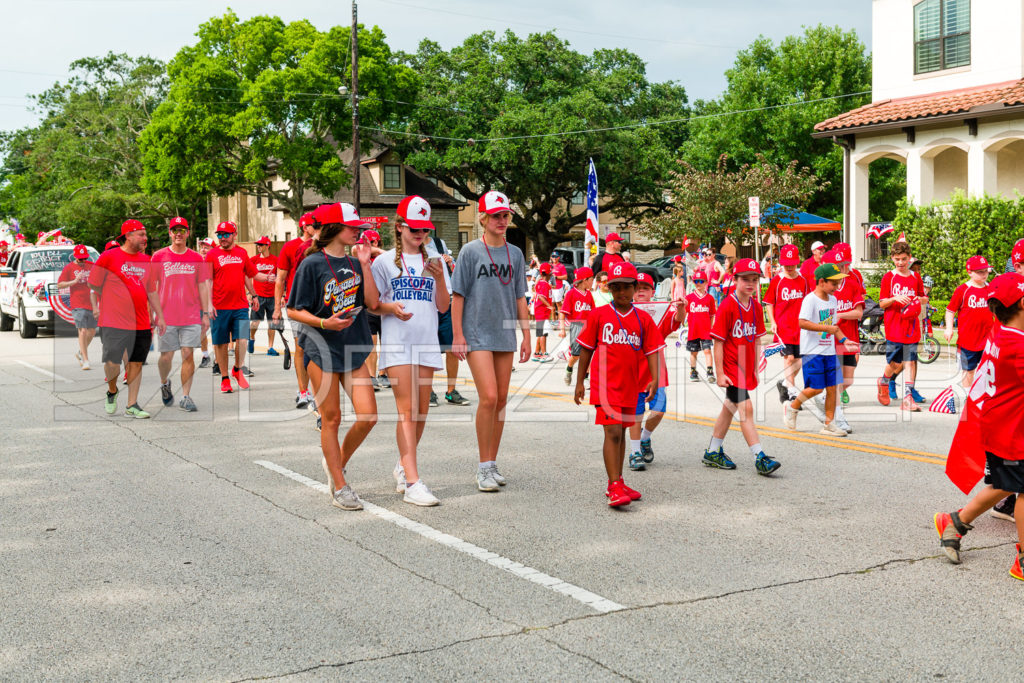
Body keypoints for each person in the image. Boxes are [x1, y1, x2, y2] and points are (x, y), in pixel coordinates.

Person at [287, 202, 380, 511]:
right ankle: (340, 485)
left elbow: (371, 303)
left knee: (368, 416)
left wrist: (365, 264)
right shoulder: (311, 264)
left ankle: (335, 463)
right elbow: (293, 309)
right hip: (320, 348)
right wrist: (324, 322)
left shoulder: (356, 262)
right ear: (333, 229)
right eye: (352, 226)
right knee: (332, 418)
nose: (358, 230)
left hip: (353, 347)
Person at [933, 272, 1024, 580]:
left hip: (999, 424)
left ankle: (955, 523)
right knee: (1022, 490)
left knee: (1004, 485)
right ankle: (1023, 559)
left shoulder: (1001, 333)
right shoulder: (1018, 347)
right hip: (1011, 430)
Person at [371, 195, 451, 506]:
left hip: (426, 342)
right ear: (400, 226)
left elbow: (443, 305)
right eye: (414, 229)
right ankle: (414, 482)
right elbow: (373, 304)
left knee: (421, 412)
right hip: (398, 343)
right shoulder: (383, 262)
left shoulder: (435, 259)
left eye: (425, 230)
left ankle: (404, 466)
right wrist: (391, 308)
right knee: (407, 411)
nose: (420, 236)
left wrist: (441, 277)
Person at [451, 190, 531, 493]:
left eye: (505, 215)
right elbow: (458, 296)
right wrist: (458, 335)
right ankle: (483, 466)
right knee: (487, 397)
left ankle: (492, 463)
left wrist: (526, 335)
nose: (501, 220)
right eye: (495, 215)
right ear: (482, 218)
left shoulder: (516, 253)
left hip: (504, 334)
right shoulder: (470, 251)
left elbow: (520, 297)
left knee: (500, 400)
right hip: (476, 333)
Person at [573, 261, 661, 507]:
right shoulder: (599, 315)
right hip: (605, 385)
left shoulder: (642, 318)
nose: (621, 292)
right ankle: (612, 485)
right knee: (612, 432)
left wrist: (654, 378)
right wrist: (580, 381)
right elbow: (586, 350)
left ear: (635, 288)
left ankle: (619, 480)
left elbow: (652, 350)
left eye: (626, 287)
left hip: (630, 385)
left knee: (621, 433)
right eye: (616, 287)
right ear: (609, 289)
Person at [702, 258, 781, 476]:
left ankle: (713, 451)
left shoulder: (755, 307)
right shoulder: (727, 305)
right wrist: (719, 373)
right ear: (734, 279)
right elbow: (717, 341)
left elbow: (756, 340)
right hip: (730, 366)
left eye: (754, 279)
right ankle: (759, 457)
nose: (750, 283)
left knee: (729, 407)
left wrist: (755, 367)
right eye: (745, 279)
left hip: (745, 367)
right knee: (746, 408)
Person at [88, 219, 166, 419]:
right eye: (141, 234)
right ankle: (112, 390)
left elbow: (151, 290)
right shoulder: (108, 257)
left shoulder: (146, 260)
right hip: (113, 321)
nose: (145, 238)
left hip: (140, 321)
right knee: (112, 363)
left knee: (136, 363)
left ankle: (132, 404)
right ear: (128, 235)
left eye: (145, 234)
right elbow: (94, 284)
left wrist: (160, 315)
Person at [783, 263, 859, 436]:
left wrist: (845, 341)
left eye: (838, 283)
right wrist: (826, 329)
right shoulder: (810, 299)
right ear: (822, 281)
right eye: (834, 283)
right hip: (812, 352)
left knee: (832, 387)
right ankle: (792, 408)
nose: (837, 287)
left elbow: (834, 327)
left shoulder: (833, 300)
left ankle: (829, 424)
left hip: (829, 351)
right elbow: (802, 322)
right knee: (816, 388)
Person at [151, 217, 211, 412]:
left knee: (187, 354)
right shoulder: (159, 256)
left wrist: (205, 313)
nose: (178, 233)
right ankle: (164, 382)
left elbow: (202, 286)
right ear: (170, 233)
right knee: (166, 357)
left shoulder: (196, 258)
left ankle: (185, 396)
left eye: (182, 230)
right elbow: (152, 287)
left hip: (191, 314)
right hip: (166, 315)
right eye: (174, 230)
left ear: (187, 233)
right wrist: (152, 313)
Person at [206, 221, 267, 393]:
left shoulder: (241, 253)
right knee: (221, 343)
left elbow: (251, 274)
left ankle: (237, 370)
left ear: (234, 235)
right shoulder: (211, 255)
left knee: (242, 340)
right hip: (219, 306)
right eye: (219, 235)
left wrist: (256, 293)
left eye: (226, 234)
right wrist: (208, 304)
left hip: (240, 305)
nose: (222, 238)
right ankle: (225, 378)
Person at [627, 272, 679, 471]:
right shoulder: (625, 311)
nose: (641, 291)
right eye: (637, 287)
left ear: (652, 292)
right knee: (636, 414)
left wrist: (681, 309)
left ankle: (645, 438)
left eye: (645, 288)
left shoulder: (660, 312)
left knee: (658, 411)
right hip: (632, 370)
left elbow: (676, 321)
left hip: (655, 371)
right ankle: (634, 453)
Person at [877, 241, 928, 411]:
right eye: (897, 259)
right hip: (894, 327)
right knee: (895, 364)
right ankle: (884, 380)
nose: (900, 262)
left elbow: (924, 298)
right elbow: (882, 303)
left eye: (904, 259)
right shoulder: (888, 278)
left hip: (911, 326)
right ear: (892, 258)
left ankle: (907, 397)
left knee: (910, 361)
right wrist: (894, 299)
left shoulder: (915, 277)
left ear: (909, 258)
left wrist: (917, 300)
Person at [274, 211, 318, 408]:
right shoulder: (290, 247)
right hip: (297, 304)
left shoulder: (323, 246)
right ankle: (303, 391)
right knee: (300, 347)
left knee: (318, 349)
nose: (317, 229)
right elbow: (280, 279)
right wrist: (277, 308)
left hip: (320, 305)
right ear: (304, 227)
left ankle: (318, 392)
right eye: (314, 226)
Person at [427, 230, 470, 408]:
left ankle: (451, 390)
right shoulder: (411, 247)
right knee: (428, 348)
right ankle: (427, 391)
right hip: (428, 300)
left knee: (452, 347)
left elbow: (452, 268)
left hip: (447, 297)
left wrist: (449, 262)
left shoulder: (438, 243)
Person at [764, 244, 809, 404]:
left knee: (799, 360)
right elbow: (769, 302)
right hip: (783, 326)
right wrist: (773, 322)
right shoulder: (777, 280)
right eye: (786, 264)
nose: (789, 267)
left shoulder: (803, 280)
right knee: (789, 358)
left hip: (800, 327)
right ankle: (791, 391)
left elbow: (808, 302)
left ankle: (784, 383)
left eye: (792, 264)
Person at [825, 245, 864, 424]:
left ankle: (830, 398)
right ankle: (838, 415)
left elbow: (859, 313)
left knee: (848, 379)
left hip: (850, 338)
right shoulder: (826, 285)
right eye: (838, 265)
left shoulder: (853, 284)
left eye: (844, 265)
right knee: (838, 378)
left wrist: (839, 314)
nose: (842, 269)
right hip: (832, 340)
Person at [945, 255, 994, 391]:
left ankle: (983, 399)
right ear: (969, 272)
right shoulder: (963, 290)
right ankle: (967, 397)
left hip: (987, 339)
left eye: (985, 271)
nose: (984, 274)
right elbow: (950, 311)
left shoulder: (991, 289)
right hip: (968, 340)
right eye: (980, 272)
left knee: (988, 371)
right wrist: (949, 329)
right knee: (968, 370)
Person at [56, 245, 97, 370]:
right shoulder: (69, 268)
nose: (82, 261)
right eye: (80, 259)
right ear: (75, 257)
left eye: (84, 258)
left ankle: (80, 352)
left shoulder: (92, 265)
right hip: (77, 303)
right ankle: (85, 360)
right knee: (83, 330)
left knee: (92, 331)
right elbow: (60, 285)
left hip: (91, 302)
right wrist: (73, 281)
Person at [560, 266, 595, 387]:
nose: (593, 282)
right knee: (576, 355)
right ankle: (569, 368)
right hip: (576, 326)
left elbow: (593, 313)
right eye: (591, 279)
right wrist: (562, 329)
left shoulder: (589, 295)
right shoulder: (571, 294)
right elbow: (563, 312)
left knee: (588, 353)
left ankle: (585, 379)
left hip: (588, 327)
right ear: (585, 280)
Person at [682, 273, 716, 382]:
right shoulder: (689, 298)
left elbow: (711, 315)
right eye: (696, 281)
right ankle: (693, 371)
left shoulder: (710, 298)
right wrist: (683, 324)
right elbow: (684, 312)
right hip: (693, 329)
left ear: (706, 283)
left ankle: (710, 371)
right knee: (694, 352)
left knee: (707, 351)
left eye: (701, 281)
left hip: (705, 330)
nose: (698, 283)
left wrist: (710, 328)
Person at [249, 236, 279, 356]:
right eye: (258, 245)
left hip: (272, 296)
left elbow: (281, 278)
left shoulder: (276, 260)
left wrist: (282, 296)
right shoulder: (253, 260)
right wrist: (250, 293)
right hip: (258, 295)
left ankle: (270, 347)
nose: (258, 247)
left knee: (272, 323)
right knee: (255, 322)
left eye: (261, 244)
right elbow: (248, 277)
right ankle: (251, 338)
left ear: (267, 245)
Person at [195, 237, 216, 368]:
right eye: (202, 247)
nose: (203, 249)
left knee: (215, 331)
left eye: (206, 247)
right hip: (198, 303)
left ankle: (218, 360)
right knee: (201, 331)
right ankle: (205, 355)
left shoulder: (215, 263)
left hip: (214, 303)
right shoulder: (196, 263)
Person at [531, 262, 554, 362]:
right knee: (544, 334)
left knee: (540, 333)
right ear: (548, 274)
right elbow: (540, 297)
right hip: (542, 311)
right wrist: (550, 306)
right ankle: (544, 354)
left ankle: (537, 353)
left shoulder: (539, 282)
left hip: (539, 311)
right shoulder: (544, 284)